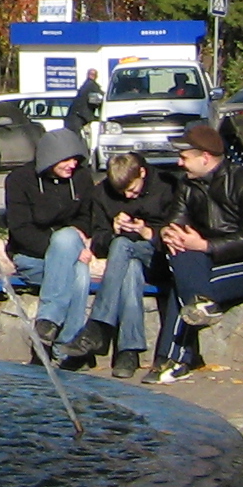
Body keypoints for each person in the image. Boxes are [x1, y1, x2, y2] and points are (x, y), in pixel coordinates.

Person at [149, 123, 243, 384]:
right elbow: (175, 223)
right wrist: (168, 235)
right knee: (184, 264)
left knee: (184, 290)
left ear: (205, 157)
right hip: (201, 260)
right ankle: (181, 350)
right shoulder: (187, 185)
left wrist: (205, 246)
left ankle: (172, 359)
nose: (179, 163)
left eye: (184, 157)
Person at [58, 149, 178, 379]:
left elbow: (175, 231)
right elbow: (99, 244)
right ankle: (128, 351)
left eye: (132, 190)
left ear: (142, 172)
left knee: (124, 246)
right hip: (124, 263)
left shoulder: (165, 187)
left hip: (159, 257)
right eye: (121, 192)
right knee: (129, 266)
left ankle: (97, 326)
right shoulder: (102, 194)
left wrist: (147, 231)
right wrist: (112, 230)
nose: (129, 197)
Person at [5, 125, 97, 357]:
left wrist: (70, 244)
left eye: (76, 159)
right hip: (32, 258)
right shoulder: (19, 180)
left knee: (69, 244)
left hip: (69, 247)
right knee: (78, 273)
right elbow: (20, 229)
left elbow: (86, 218)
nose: (72, 165)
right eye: (66, 160)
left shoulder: (82, 179)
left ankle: (48, 323)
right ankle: (66, 349)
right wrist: (62, 250)